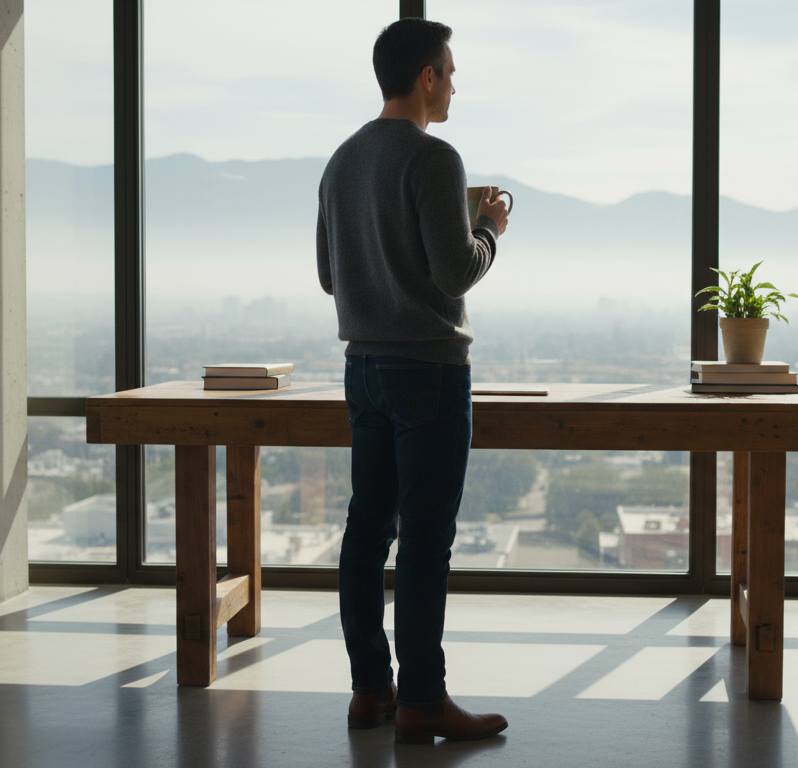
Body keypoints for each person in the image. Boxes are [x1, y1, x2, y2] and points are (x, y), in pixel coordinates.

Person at [316, 18, 511, 744]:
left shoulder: (340, 161)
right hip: (427, 373)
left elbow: (329, 275)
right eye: (450, 71)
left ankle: (372, 689)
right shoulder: (435, 159)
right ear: (425, 76)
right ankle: (424, 700)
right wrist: (487, 226)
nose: (455, 83)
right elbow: (455, 270)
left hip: (360, 369)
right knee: (426, 542)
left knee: (367, 531)